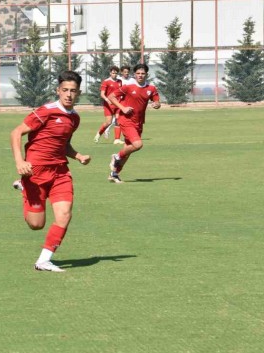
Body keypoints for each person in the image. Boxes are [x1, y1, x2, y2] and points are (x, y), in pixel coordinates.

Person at [10, 70, 91, 272]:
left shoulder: (75, 118)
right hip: (35, 172)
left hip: (60, 172)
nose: (69, 94)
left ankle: (43, 260)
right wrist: (20, 161)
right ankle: (24, 186)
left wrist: (78, 156)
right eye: (65, 90)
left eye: (73, 91)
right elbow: (16, 132)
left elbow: (63, 144)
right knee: (36, 224)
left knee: (65, 214)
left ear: (79, 92)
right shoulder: (46, 111)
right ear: (58, 90)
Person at [106, 63, 161, 183]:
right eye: (138, 73)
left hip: (139, 123)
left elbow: (157, 102)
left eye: (143, 73)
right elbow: (111, 96)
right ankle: (116, 156)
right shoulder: (128, 87)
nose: (140, 75)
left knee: (128, 150)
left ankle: (114, 174)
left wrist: (156, 105)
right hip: (126, 120)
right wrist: (123, 108)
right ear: (134, 74)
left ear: (146, 74)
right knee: (138, 145)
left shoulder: (151, 88)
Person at [94, 66, 121, 144]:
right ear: (110, 73)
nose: (114, 74)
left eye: (116, 73)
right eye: (113, 73)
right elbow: (102, 94)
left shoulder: (120, 81)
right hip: (108, 105)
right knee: (108, 122)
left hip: (117, 104)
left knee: (118, 120)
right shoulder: (106, 81)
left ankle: (117, 139)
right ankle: (98, 134)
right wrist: (107, 100)